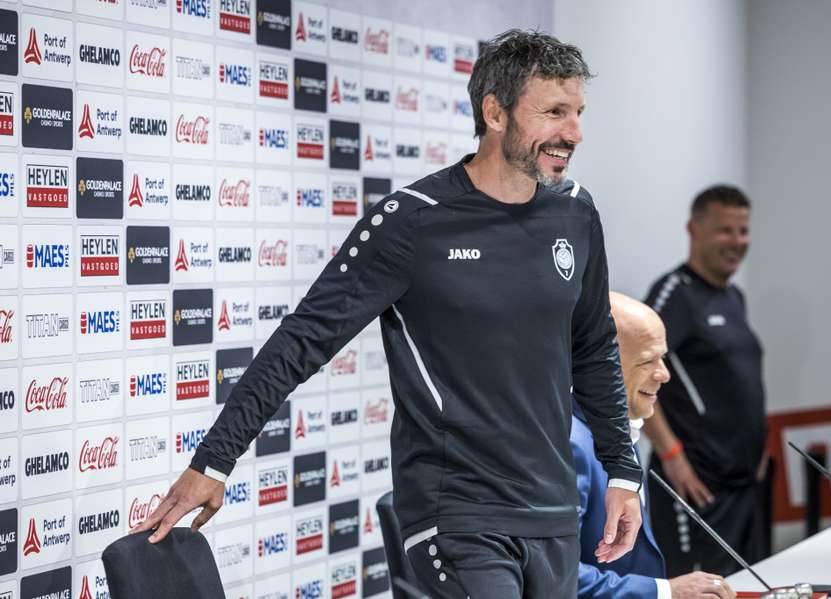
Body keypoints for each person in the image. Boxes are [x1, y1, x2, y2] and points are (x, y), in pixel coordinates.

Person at [136, 29, 644, 598]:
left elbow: (594, 347)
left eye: (577, 112)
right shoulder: (412, 221)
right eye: (554, 112)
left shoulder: (575, 212)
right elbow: (302, 340)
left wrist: (623, 472)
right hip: (455, 515)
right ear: (496, 113)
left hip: (552, 514)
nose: (573, 133)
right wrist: (214, 460)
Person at [571, 291, 737, 599]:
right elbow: (552, 576)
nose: (665, 374)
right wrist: (664, 592)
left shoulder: (619, 429)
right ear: (597, 366)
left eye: (663, 358)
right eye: (648, 361)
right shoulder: (570, 445)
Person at [643, 185, 767, 576]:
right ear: (694, 230)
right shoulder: (673, 294)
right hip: (696, 488)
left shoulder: (735, 297)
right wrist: (672, 455)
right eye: (725, 231)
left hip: (743, 487)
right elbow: (627, 372)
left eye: (743, 231)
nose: (737, 242)